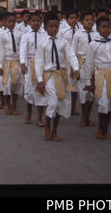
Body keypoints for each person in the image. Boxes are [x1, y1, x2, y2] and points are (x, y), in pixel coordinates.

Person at [35, 11, 80, 141]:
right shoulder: (42, 43)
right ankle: (47, 127)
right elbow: (38, 62)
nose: (54, 29)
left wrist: (76, 68)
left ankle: (55, 130)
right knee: (53, 103)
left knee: (60, 104)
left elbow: (71, 55)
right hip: (49, 76)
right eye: (51, 26)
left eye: (56, 26)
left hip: (61, 76)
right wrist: (39, 80)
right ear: (45, 28)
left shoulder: (63, 42)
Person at [19, 12, 47, 126]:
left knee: (41, 89)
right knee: (29, 90)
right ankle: (29, 112)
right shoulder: (26, 35)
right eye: (33, 21)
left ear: (41, 22)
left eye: (38, 21)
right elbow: (22, 50)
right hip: (30, 63)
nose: (36, 23)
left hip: (41, 64)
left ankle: (39, 117)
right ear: (29, 22)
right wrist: (22, 63)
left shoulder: (45, 35)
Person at [71, 11, 97, 127]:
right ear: (81, 22)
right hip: (82, 63)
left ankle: (88, 116)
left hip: (95, 65)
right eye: (87, 20)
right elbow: (73, 52)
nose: (90, 22)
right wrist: (74, 68)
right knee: (83, 91)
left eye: (91, 19)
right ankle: (83, 116)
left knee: (92, 91)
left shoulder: (97, 34)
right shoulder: (78, 34)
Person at [0, 12, 24, 115]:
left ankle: (14, 106)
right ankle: (7, 104)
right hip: (6, 62)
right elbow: (0, 50)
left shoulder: (20, 34)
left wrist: (22, 63)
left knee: (17, 84)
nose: (12, 23)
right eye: (10, 21)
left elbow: (21, 50)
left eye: (14, 21)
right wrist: (0, 65)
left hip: (16, 62)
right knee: (7, 85)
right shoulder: (2, 35)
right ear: (5, 22)